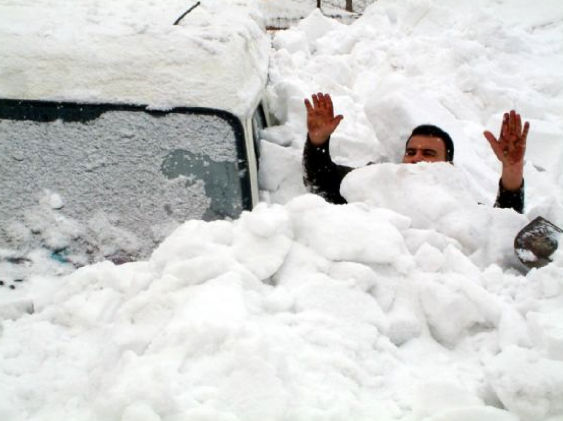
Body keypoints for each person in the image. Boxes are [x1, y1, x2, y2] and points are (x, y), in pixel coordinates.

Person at [303, 92, 529, 213]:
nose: (416, 158)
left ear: (447, 166)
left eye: (429, 154)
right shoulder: (376, 179)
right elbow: (322, 181)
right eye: (410, 152)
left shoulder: (458, 204)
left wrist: (512, 172)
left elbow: (500, 227)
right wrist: (318, 140)